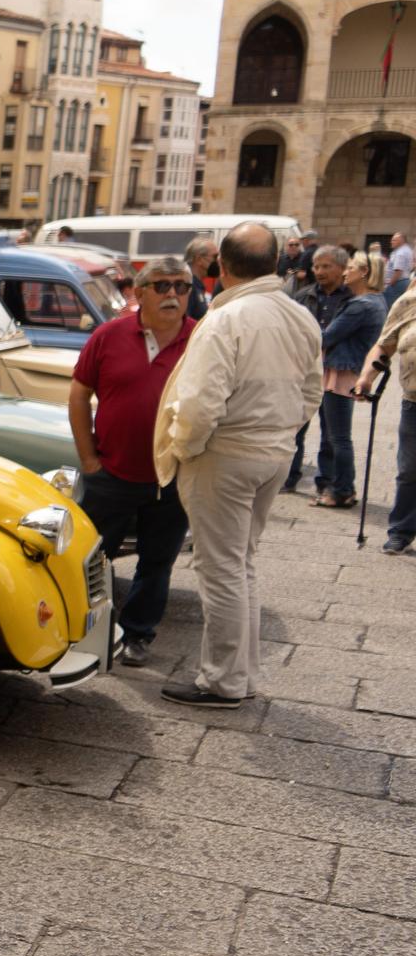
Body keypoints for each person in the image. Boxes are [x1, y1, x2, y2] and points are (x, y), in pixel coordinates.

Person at [154, 222, 322, 707]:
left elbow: (201, 403)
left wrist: (185, 447)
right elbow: (311, 392)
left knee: (221, 568)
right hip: (272, 452)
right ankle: (239, 676)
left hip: (225, 453)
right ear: (276, 264)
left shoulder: (226, 320)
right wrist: (282, 431)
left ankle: (224, 680)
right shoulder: (300, 317)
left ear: (221, 268)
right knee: (241, 563)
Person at [67, 259, 195, 668]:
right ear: (139, 293)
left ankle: (138, 634)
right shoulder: (109, 335)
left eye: (182, 286)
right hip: (112, 474)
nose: (173, 294)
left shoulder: (202, 339)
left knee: (158, 561)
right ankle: (81, 631)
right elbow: (78, 394)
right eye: (162, 286)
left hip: (172, 477)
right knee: (90, 556)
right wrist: (88, 459)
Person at [310, 252, 387, 510]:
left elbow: (327, 336)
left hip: (342, 372)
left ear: (364, 272)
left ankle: (342, 490)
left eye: (351, 268)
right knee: (336, 436)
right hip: (346, 369)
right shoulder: (373, 301)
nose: (346, 272)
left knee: (338, 437)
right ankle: (339, 487)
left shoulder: (362, 305)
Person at [284, 244, 352, 493]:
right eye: (316, 265)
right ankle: (288, 475)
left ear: (343, 268)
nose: (319, 271)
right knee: (295, 427)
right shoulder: (304, 296)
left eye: (326, 266)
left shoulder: (352, 299)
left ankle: (326, 481)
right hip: (302, 370)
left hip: (335, 372)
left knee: (332, 434)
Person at [357, 284, 416, 552]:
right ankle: (401, 530)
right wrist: (366, 376)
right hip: (414, 402)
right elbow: (384, 345)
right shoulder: (408, 302)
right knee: (409, 471)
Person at [185, 237, 219, 320]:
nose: (218, 261)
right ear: (199, 259)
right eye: (215, 257)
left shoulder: (197, 285)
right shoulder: (188, 286)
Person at [389, 231, 414, 306]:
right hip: (404, 281)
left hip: (398, 283)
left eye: (394, 240)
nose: (391, 242)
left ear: (401, 240)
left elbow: (398, 271)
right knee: (401, 305)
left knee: (392, 305)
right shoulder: (407, 250)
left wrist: (390, 284)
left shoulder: (401, 252)